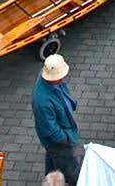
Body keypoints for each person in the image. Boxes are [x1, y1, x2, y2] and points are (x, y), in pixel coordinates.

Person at [32, 54, 81, 185]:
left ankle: (50, 181)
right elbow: (51, 129)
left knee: (53, 161)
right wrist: (65, 139)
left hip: (54, 139)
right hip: (57, 141)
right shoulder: (43, 102)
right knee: (70, 168)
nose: (62, 79)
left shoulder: (47, 78)